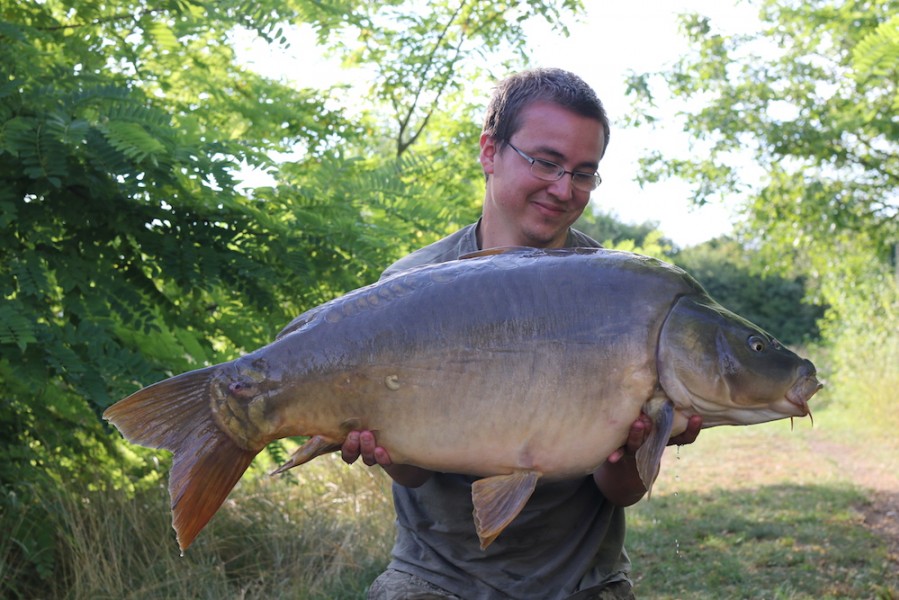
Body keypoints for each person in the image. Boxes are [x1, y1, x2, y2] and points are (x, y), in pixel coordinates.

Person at [342, 67, 703, 600]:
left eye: (584, 172)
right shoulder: (410, 287)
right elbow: (416, 479)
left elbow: (619, 490)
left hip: (582, 580)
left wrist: (638, 447)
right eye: (546, 162)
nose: (563, 188)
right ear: (490, 151)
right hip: (436, 576)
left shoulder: (618, 294)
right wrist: (381, 443)